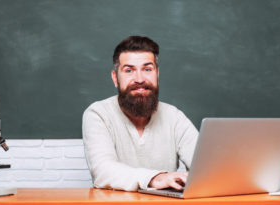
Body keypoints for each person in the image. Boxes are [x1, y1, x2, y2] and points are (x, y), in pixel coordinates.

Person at [82, 36, 198, 191]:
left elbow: (206, 166)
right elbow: (102, 171)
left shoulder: (174, 117)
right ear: (115, 78)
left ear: (157, 74)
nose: (139, 79)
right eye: (129, 70)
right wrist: (155, 178)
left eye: (147, 69)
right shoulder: (98, 114)